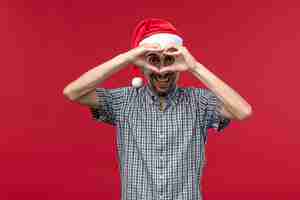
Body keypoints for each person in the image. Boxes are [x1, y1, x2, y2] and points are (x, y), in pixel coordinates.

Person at [63, 18, 252, 200]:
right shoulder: (123, 101)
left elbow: (243, 111)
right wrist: (127, 58)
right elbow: (73, 92)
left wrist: (195, 67)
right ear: (143, 65)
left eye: (169, 60)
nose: (162, 70)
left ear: (180, 65)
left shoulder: (198, 101)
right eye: (154, 61)